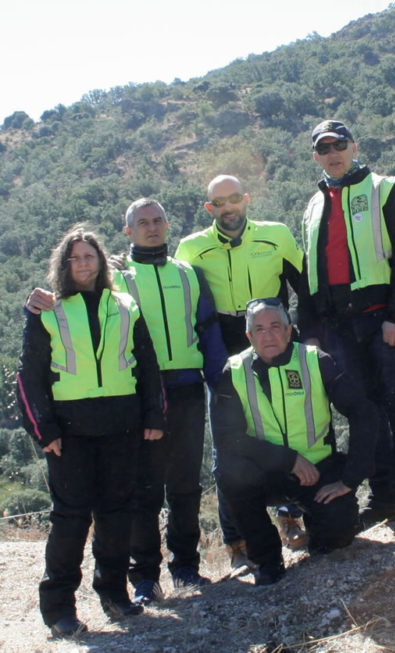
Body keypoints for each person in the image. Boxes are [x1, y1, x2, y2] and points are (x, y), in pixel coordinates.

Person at [25, 199, 228, 605]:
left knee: (186, 485)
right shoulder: (118, 275)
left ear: (168, 226)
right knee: (143, 490)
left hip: (185, 389)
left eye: (157, 221)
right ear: (127, 231)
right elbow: (75, 293)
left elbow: (208, 330)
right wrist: (37, 300)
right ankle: (144, 577)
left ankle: (186, 566)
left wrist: (221, 380)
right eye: (142, 222)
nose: (151, 228)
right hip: (136, 397)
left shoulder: (188, 274)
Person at [17, 225, 165, 637]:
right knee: (71, 517)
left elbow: (147, 364)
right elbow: (29, 376)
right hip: (69, 431)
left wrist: (154, 416)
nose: (83, 264)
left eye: (90, 256)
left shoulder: (125, 305)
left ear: (101, 261)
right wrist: (43, 430)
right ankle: (59, 607)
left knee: (117, 513)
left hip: (122, 424)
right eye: (75, 258)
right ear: (64, 265)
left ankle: (114, 594)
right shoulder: (48, 308)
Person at [301, 119, 395, 534]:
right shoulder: (313, 205)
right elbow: (310, 273)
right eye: (324, 148)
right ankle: (384, 498)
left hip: (383, 318)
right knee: (365, 412)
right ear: (316, 156)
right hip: (339, 327)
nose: (333, 152)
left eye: (339, 144)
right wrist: (313, 331)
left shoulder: (385, 188)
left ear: (354, 146)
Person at [175, 175, 310, 567]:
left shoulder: (276, 235)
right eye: (219, 203)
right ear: (209, 209)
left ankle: (291, 517)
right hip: (223, 341)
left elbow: (305, 286)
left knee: (289, 424)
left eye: (234, 199)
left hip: (273, 336)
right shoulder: (191, 248)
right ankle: (237, 543)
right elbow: (172, 290)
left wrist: (313, 339)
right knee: (228, 439)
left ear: (246, 200)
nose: (228, 207)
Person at [210, 298, 378, 583]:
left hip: (318, 469)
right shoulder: (233, 372)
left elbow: (364, 414)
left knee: (338, 533)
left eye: (276, 326)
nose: (268, 334)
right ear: (249, 336)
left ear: (289, 331)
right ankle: (267, 560)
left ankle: (319, 531)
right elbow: (228, 439)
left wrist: (350, 479)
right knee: (229, 473)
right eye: (259, 329)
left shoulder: (316, 361)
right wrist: (287, 459)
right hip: (265, 472)